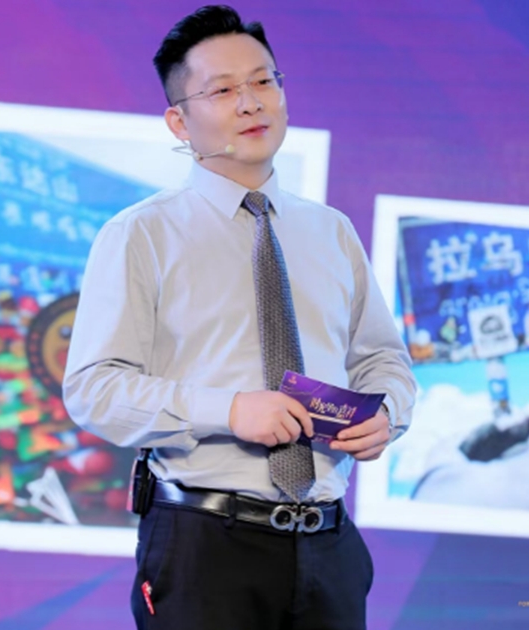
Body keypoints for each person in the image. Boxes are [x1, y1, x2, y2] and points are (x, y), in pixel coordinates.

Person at [63, 5, 416, 629]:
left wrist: (387, 411)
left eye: (263, 81)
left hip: (328, 542)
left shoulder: (331, 231)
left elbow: (382, 357)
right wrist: (227, 410)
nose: (251, 102)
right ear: (179, 120)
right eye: (223, 90)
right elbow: (95, 389)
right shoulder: (141, 234)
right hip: (205, 544)